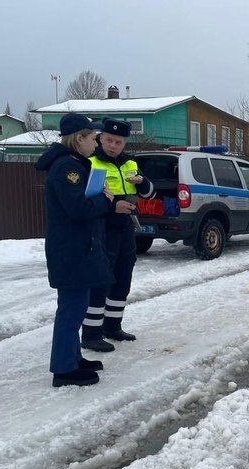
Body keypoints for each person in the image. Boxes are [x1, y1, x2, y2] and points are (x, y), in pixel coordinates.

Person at [35, 113, 115, 387]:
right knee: (70, 310)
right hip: (71, 250)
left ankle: (73, 357)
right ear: (79, 138)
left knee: (77, 307)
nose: (96, 144)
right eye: (93, 139)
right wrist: (104, 200)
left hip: (78, 248)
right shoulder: (65, 169)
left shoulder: (74, 164)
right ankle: (64, 369)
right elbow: (78, 209)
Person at [81, 118, 155, 352]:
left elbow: (150, 194)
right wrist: (113, 207)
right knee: (101, 280)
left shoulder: (130, 164)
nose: (113, 145)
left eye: (119, 142)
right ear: (101, 139)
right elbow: (83, 201)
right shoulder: (89, 162)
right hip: (102, 228)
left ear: (124, 143)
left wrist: (142, 182)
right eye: (109, 140)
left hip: (126, 228)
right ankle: (91, 333)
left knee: (123, 279)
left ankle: (113, 326)